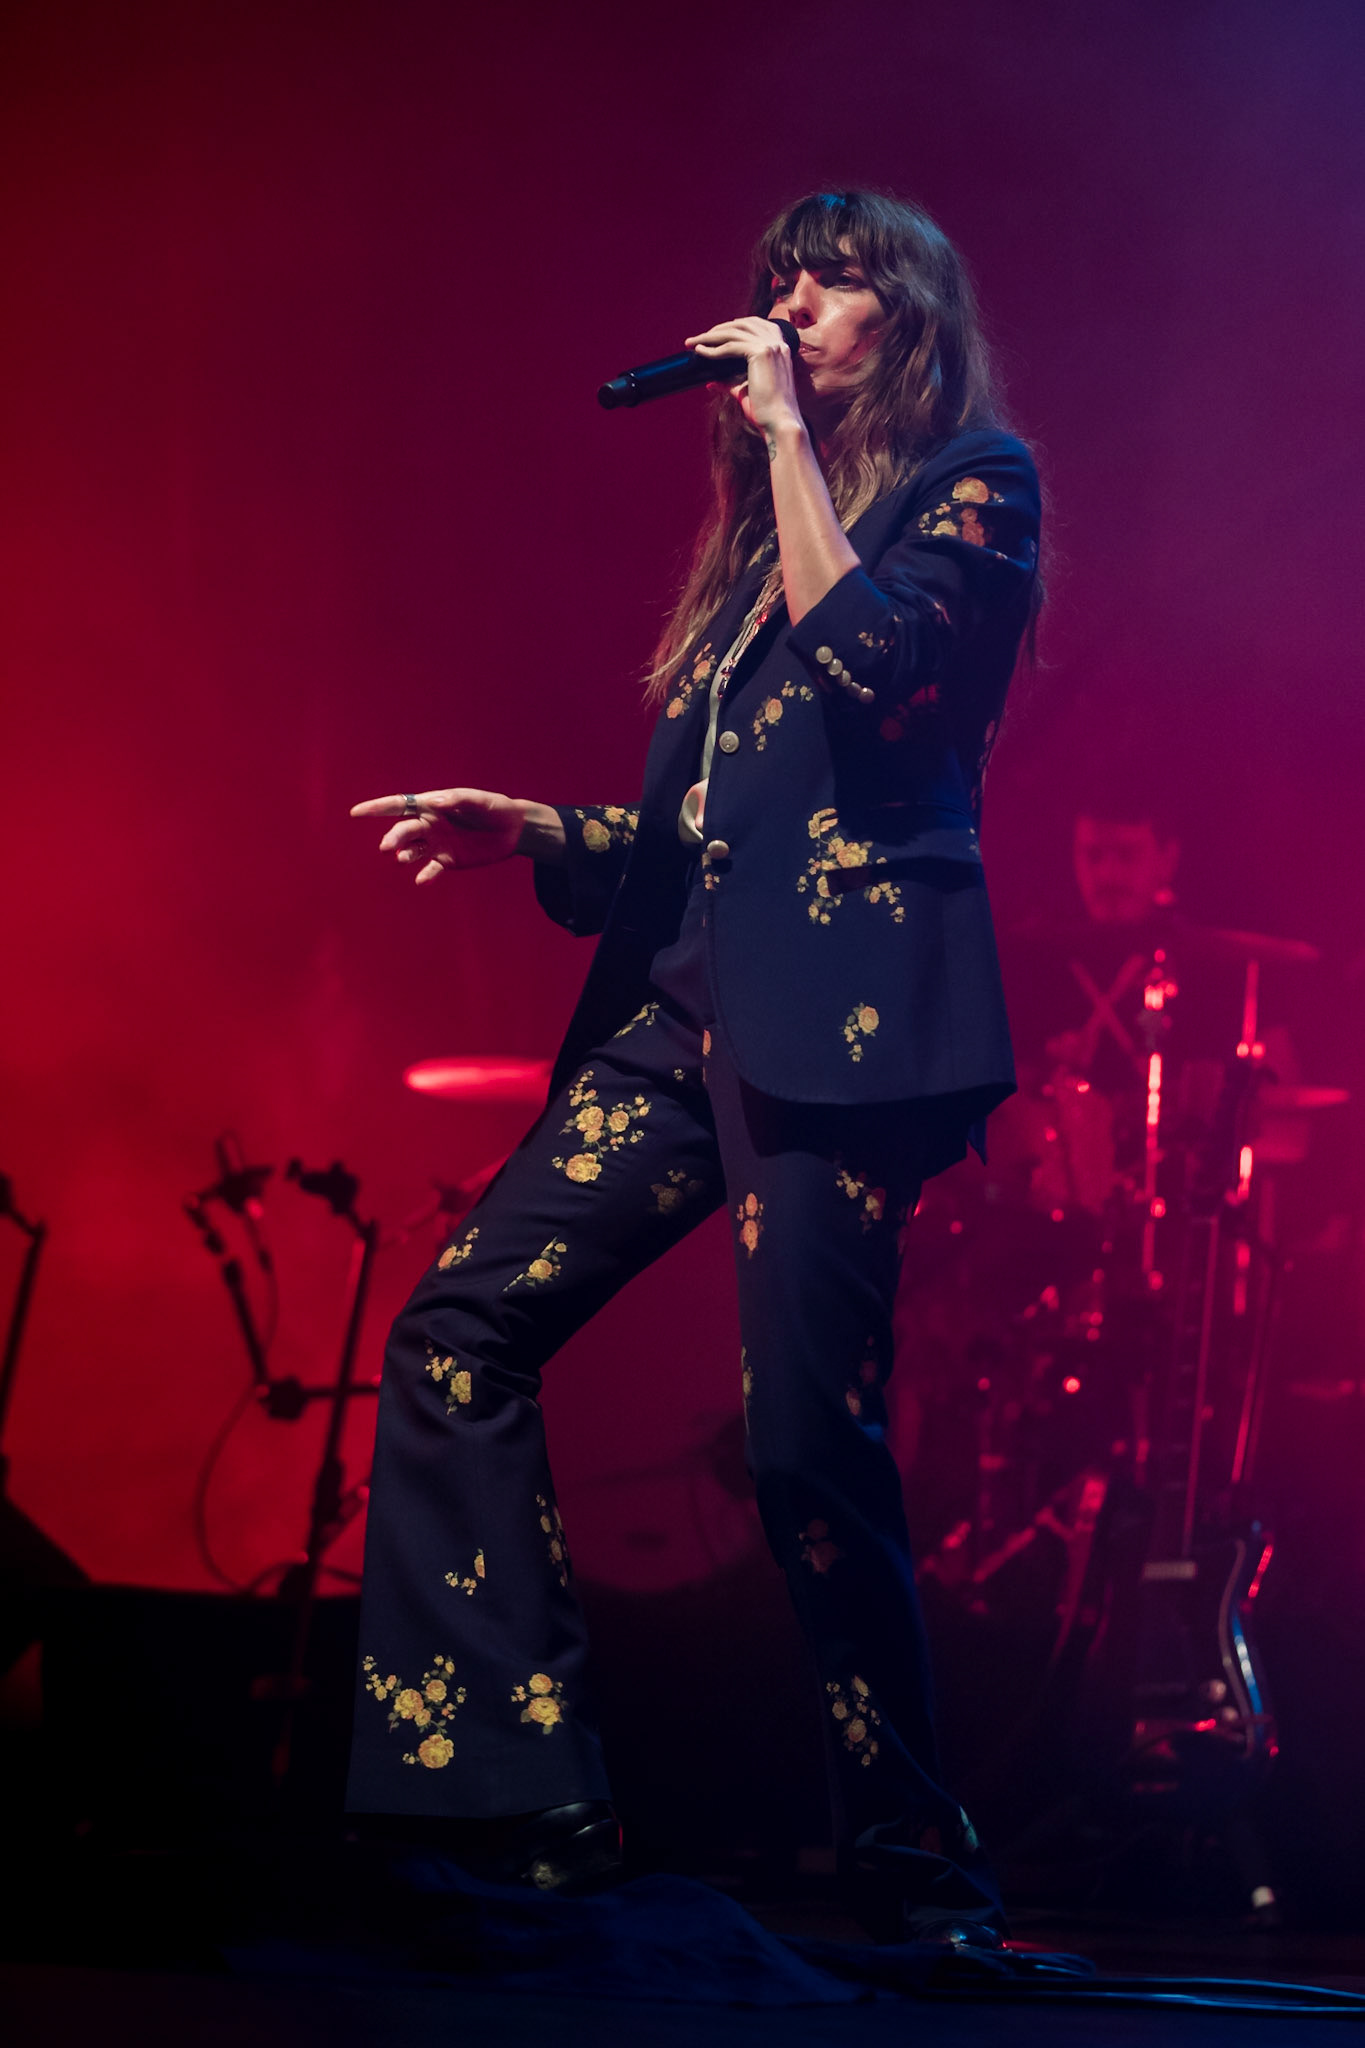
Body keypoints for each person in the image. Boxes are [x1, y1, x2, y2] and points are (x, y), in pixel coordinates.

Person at [345, 189, 1041, 1941]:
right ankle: (517, 1795)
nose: (792, 305)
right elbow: (713, 830)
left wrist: (794, 454)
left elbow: (880, 666)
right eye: (777, 282)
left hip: (849, 1040)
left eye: (835, 281)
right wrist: (542, 830)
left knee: (806, 1447)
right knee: (456, 1332)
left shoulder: (973, 482)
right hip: (688, 1009)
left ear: (911, 313)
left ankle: (908, 1855)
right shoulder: (750, 559)